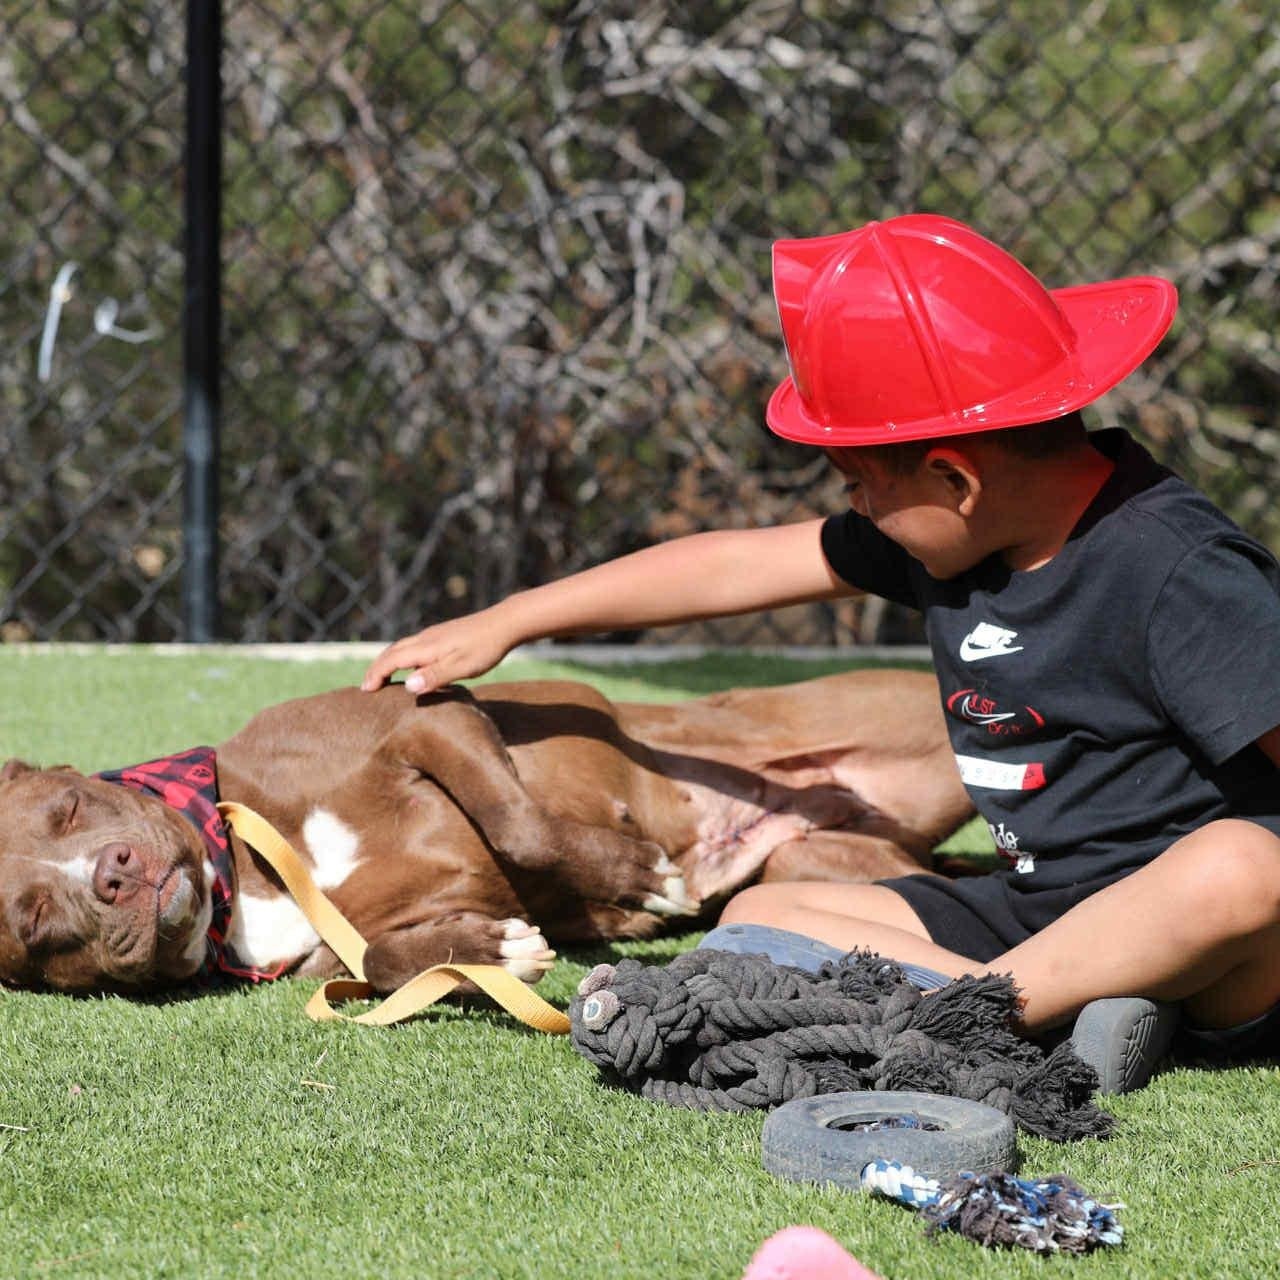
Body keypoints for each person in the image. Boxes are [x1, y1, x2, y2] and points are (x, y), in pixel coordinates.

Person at [362, 214, 1280, 1091]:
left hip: (1218, 944)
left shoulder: (1180, 573)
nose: (857, 510)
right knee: (763, 914)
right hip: (1043, 911)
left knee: (1247, 866)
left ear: (954, 478)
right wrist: (515, 618)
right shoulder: (962, 530)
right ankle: (1066, 1005)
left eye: (858, 485)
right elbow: (732, 566)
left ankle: (990, 1014)